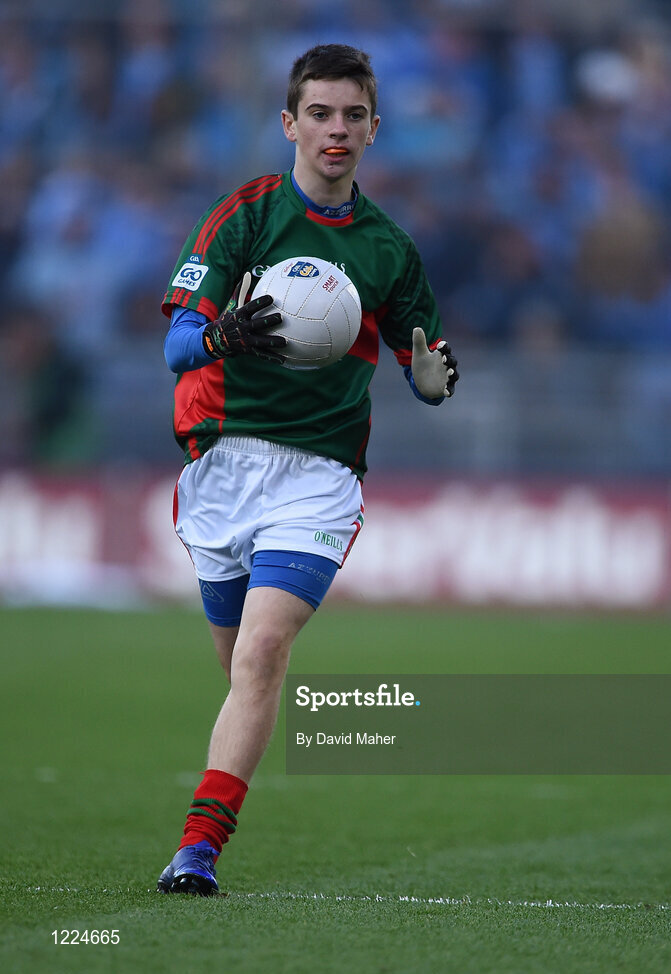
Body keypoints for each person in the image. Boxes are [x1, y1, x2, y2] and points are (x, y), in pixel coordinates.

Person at [157, 43, 459, 896]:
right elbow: (179, 344)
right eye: (319, 114)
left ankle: (197, 851)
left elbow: (422, 361)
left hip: (319, 477)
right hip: (222, 467)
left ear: (372, 129)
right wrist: (221, 335)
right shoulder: (243, 218)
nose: (335, 130)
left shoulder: (389, 251)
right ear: (290, 123)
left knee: (259, 655)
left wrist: (431, 380)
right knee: (241, 669)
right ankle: (242, 767)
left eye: (351, 116)